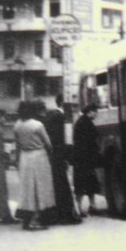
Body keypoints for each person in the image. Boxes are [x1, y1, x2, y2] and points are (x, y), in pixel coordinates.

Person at [14, 101, 56, 231]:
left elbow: (17, 144)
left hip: (25, 157)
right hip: (39, 157)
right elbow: (48, 143)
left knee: (28, 189)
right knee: (42, 188)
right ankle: (41, 218)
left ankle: (27, 219)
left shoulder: (17, 125)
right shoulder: (38, 125)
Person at [45, 94, 82, 225]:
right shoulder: (61, 117)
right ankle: (66, 214)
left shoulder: (51, 115)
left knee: (58, 184)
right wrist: (68, 156)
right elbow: (62, 139)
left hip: (55, 155)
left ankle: (61, 213)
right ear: (64, 103)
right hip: (60, 155)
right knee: (63, 185)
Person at [73, 103, 101, 216]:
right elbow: (92, 140)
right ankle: (88, 206)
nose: (96, 114)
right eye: (95, 112)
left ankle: (82, 207)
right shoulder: (87, 124)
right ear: (90, 112)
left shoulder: (79, 122)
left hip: (80, 158)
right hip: (86, 158)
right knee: (87, 183)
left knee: (83, 183)